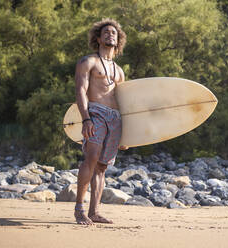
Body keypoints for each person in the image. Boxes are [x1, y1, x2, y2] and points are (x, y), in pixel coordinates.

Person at [74, 18, 127, 225]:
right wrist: (85, 118)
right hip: (95, 112)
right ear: (98, 37)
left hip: (115, 119)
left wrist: (128, 134)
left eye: (114, 32)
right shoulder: (88, 62)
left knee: (103, 167)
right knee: (92, 157)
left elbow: (125, 103)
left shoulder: (119, 71)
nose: (110, 34)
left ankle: (94, 211)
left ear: (118, 39)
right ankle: (79, 209)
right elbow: (80, 90)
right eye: (106, 32)